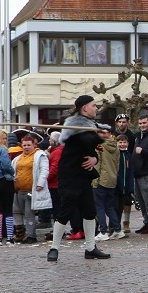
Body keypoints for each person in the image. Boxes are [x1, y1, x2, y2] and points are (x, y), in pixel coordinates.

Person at [46, 94, 111, 262]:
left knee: (89, 211)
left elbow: (91, 149)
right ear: (84, 108)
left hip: (84, 176)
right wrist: (99, 137)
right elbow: (85, 141)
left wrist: (95, 158)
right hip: (70, 175)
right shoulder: (75, 126)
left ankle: (90, 248)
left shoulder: (90, 125)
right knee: (65, 211)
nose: (96, 108)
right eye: (94, 105)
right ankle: (54, 248)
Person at [11, 131, 49, 244]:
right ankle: (21, 233)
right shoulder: (18, 158)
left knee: (29, 213)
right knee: (17, 211)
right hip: (18, 189)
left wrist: (40, 183)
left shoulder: (39, 156)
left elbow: (44, 170)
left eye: (28, 145)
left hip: (31, 189)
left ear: (34, 145)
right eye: (24, 145)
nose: (26, 147)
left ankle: (31, 235)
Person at [92, 128, 122, 241]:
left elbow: (98, 164)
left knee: (99, 206)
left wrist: (95, 180)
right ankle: (118, 230)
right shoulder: (116, 146)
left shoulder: (99, 146)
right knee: (109, 206)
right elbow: (118, 164)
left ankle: (103, 231)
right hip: (112, 179)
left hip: (101, 179)